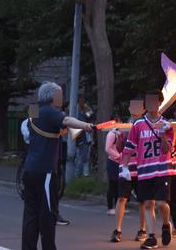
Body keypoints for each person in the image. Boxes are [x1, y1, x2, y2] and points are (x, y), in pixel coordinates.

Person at [21, 81, 93, 250]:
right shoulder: (50, 111)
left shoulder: (33, 110)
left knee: (31, 214)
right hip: (45, 170)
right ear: (52, 96)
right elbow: (65, 120)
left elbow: (47, 129)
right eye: (60, 94)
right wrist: (85, 125)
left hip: (30, 169)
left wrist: (71, 129)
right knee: (48, 214)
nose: (62, 97)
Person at [122, 90, 173, 249]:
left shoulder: (167, 124)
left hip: (162, 169)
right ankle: (151, 236)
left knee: (161, 203)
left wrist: (163, 133)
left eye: (154, 101)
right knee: (149, 203)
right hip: (144, 170)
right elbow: (129, 146)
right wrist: (124, 167)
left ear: (159, 103)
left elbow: (167, 149)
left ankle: (166, 224)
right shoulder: (138, 124)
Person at [109, 101, 147, 243]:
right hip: (125, 168)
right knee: (121, 198)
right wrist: (119, 135)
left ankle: (142, 230)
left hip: (141, 168)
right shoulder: (125, 126)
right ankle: (117, 230)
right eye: (132, 106)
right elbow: (119, 148)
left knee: (142, 200)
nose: (134, 109)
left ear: (144, 109)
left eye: (138, 107)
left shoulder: (146, 125)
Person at [105, 116, 122, 215]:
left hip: (120, 162)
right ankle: (110, 207)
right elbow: (108, 148)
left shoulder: (120, 133)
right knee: (112, 185)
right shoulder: (111, 134)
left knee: (119, 185)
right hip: (113, 162)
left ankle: (118, 207)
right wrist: (118, 156)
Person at [74, 95, 94, 178]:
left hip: (85, 137)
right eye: (80, 101)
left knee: (84, 157)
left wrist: (87, 109)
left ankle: (85, 174)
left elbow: (90, 115)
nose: (82, 103)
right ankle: (78, 175)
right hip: (77, 136)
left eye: (83, 101)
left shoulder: (85, 110)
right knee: (78, 157)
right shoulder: (75, 110)